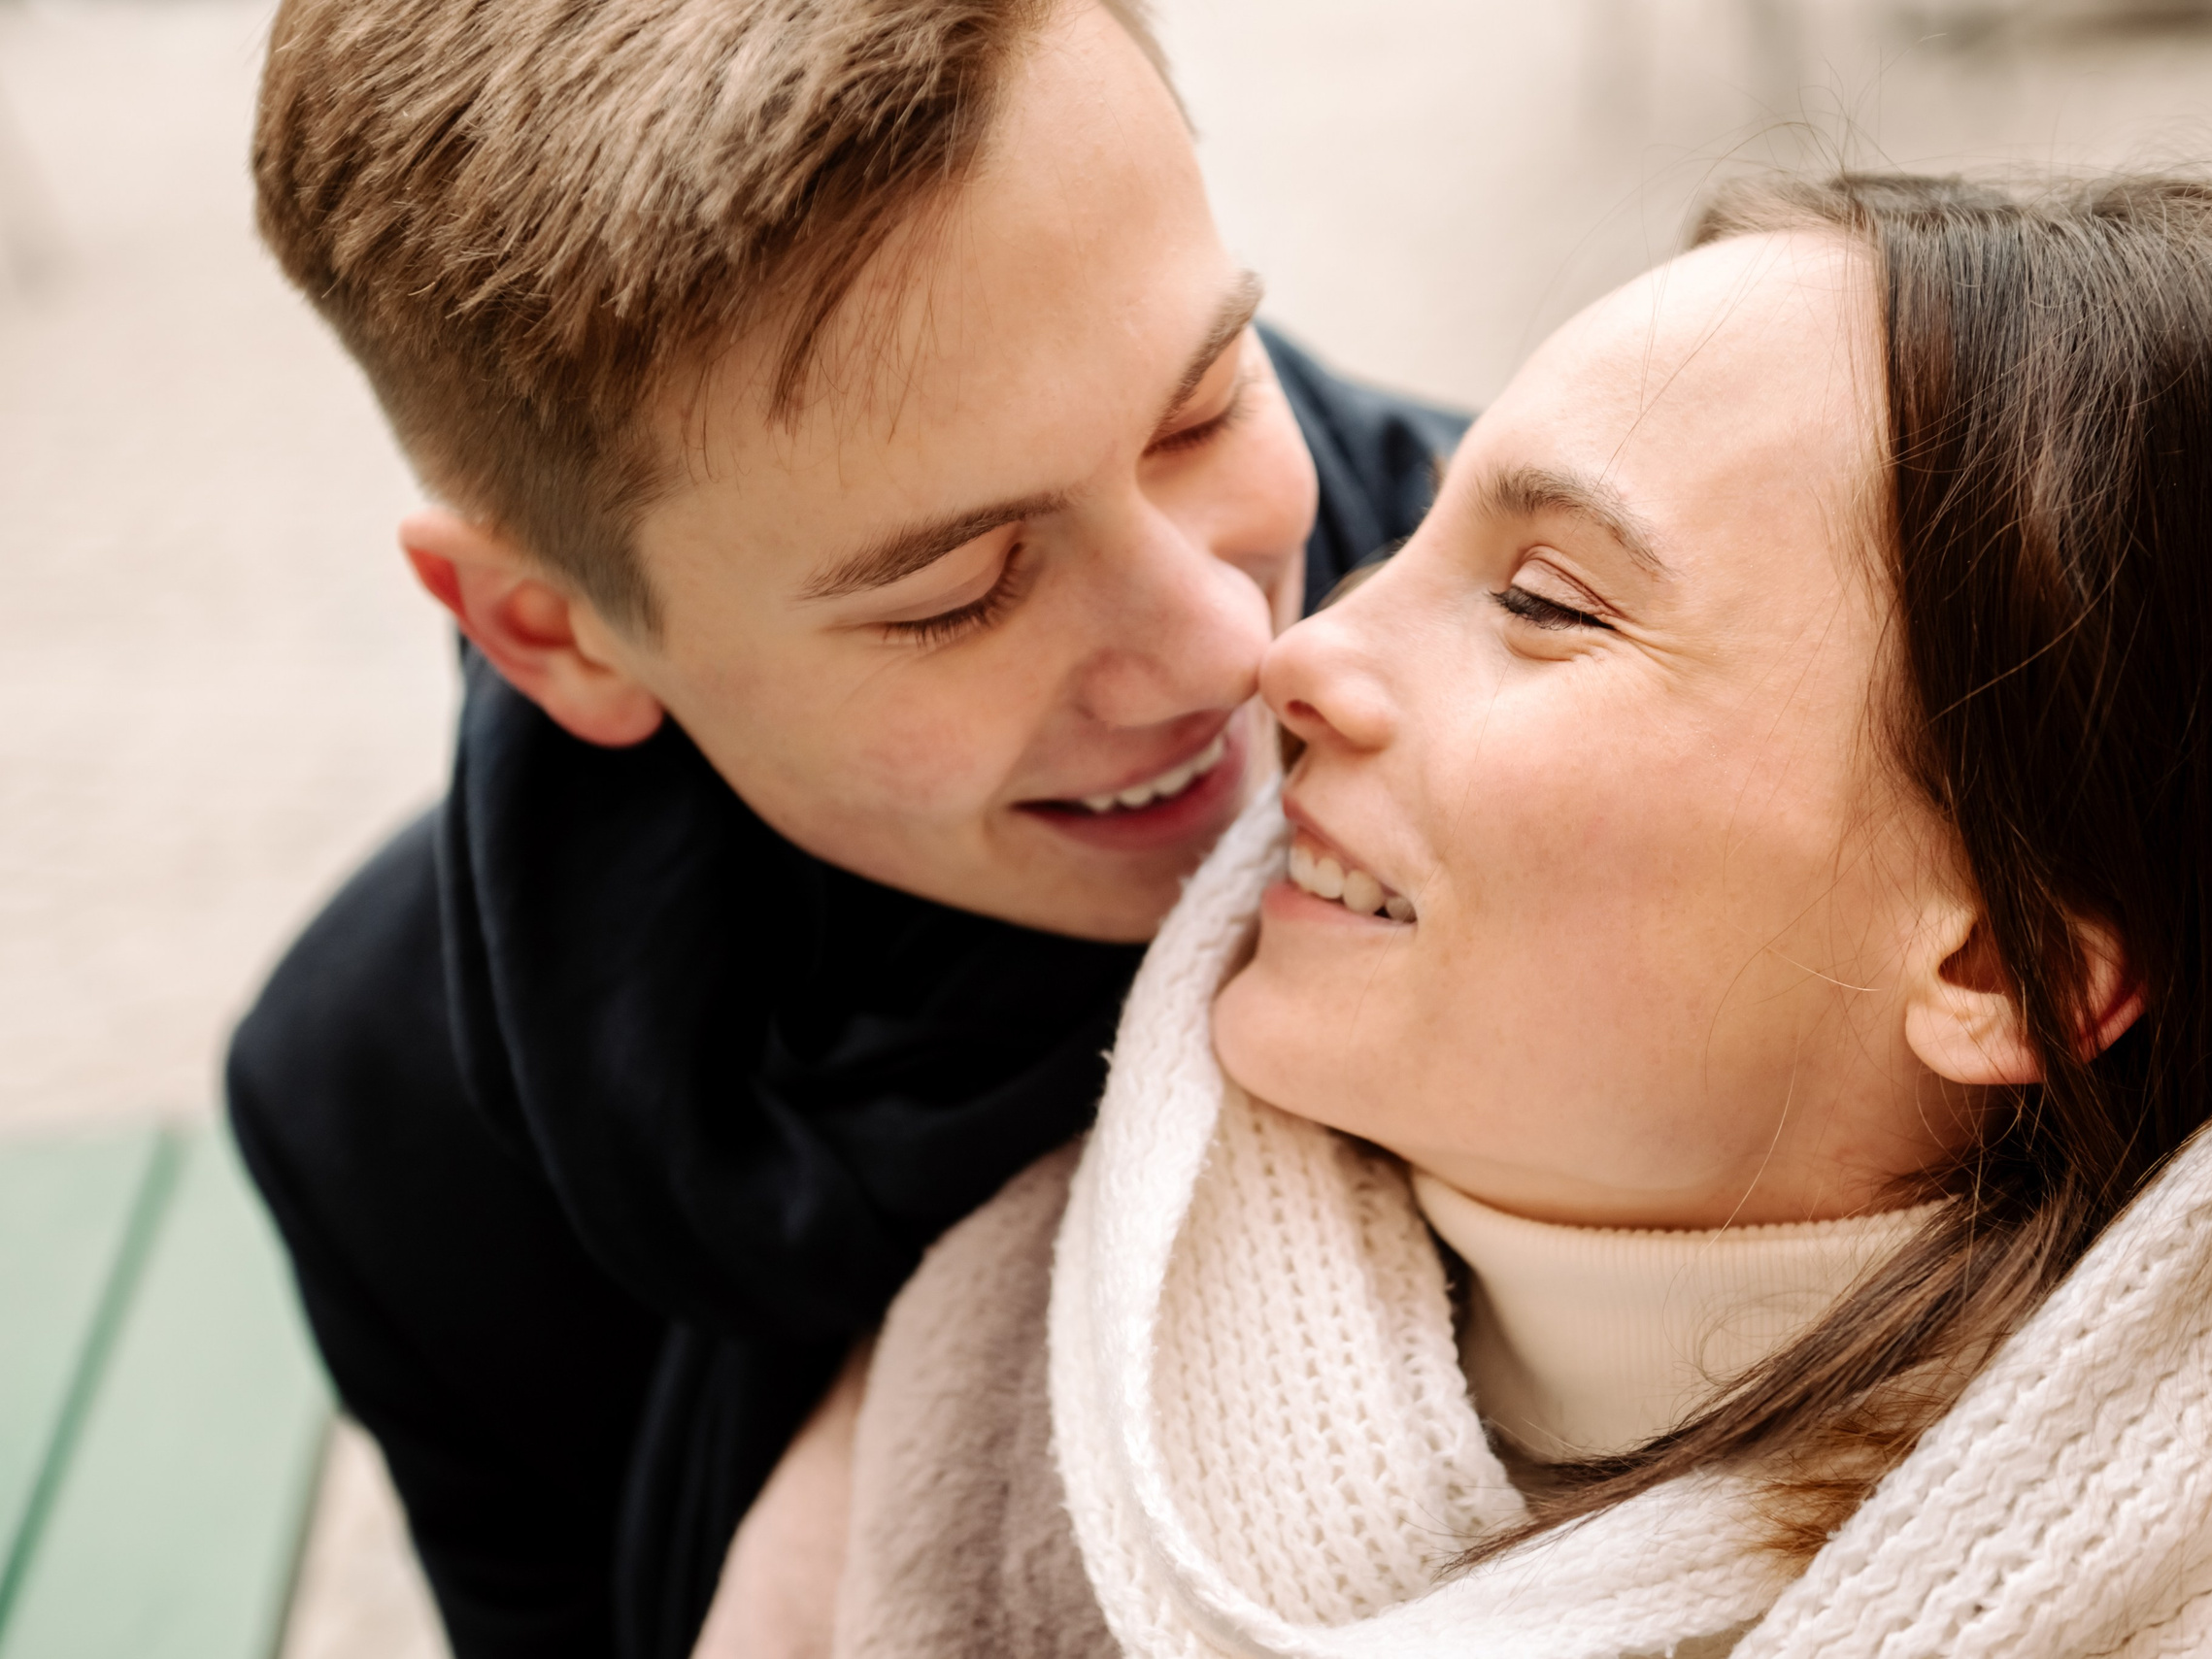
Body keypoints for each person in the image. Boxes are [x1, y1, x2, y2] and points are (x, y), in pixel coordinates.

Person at [791, 173, 2212, 1657]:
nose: (1296, 657)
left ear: (1998, 962)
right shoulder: (990, 1396)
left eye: (1542, 601)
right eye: (1420, 538)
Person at [221, 1, 1462, 1655]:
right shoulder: (392, 1117)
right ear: (552, 631)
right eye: (956, 593)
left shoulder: (1684, 716)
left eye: (1203, 407)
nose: (1229, 652)